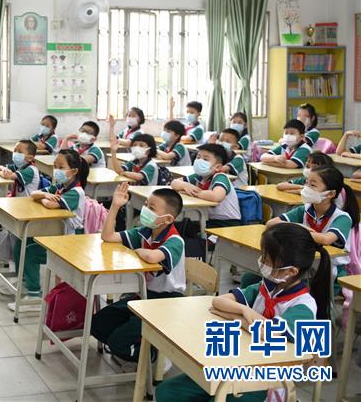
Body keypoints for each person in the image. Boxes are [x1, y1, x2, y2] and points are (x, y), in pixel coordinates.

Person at [156, 225, 331, 402]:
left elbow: (266, 333)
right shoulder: (265, 288)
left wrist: (234, 317)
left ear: (291, 271)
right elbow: (218, 302)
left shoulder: (304, 305)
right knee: (167, 392)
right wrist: (244, 310)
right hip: (235, 365)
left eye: (267, 259)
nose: (261, 262)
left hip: (266, 381)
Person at [92, 183, 185, 364]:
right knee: (98, 324)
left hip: (166, 301)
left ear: (167, 219)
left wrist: (136, 252)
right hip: (143, 295)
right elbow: (107, 236)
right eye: (146, 205)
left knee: (118, 342)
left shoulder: (175, 240)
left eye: (152, 208)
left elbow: (151, 256)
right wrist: (115, 206)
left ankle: (153, 355)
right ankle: (136, 345)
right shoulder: (145, 233)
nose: (145, 210)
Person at [0, 140, 45, 311]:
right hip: (20, 213)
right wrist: (4, 170)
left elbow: (8, 175)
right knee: (18, 249)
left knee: (26, 251)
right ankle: (23, 281)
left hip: (31, 216)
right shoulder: (20, 167)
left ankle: (34, 293)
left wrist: (6, 172)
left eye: (19, 151)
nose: (15, 153)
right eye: (15, 150)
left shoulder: (30, 170)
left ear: (30, 157)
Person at [170, 144, 241, 228]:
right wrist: (185, 186)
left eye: (205, 159)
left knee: (184, 228)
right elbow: (174, 182)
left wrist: (193, 192)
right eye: (198, 157)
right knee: (178, 225)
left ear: (218, 167)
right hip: (208, 219)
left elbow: (216, 196)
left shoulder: (220, 177)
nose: (199, 161)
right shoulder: (199, 176)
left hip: (226, 223)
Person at [31, 148, 90, 234]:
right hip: (59, 227)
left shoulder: (77, 192)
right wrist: (45, 195)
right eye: (55, 166)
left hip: (71, 234)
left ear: (74, 171)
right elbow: (33, 193)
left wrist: (42, 197)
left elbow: (50, 204)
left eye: (61, 167)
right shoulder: (60, 186)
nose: (56, 170)